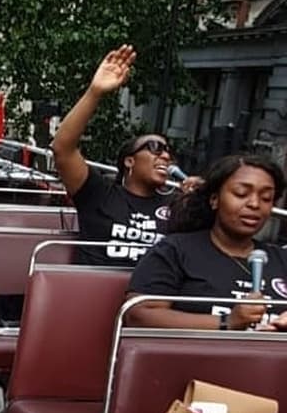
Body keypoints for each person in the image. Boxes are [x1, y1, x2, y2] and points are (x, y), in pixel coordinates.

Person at [52, 45, 189, 266]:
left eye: (168, 151)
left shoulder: (178, 205)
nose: (165, 156)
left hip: (150, 297)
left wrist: (201, 196)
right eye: (155, 147)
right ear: (129, 161)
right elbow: (62, 148)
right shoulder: (99, 194)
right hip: (92, 292)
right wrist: (94, 92)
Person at [127, 154, 287, 331]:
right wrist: (227, 322)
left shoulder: (282, 259)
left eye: (266, 198)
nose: (255, 204)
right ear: (214, 199)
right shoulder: (175, 250)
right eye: (241, 193)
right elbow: (139, 315)